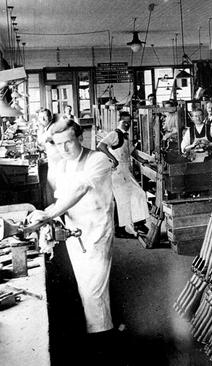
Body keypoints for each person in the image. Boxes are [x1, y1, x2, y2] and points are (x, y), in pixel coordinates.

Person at [27, 118, 116, 351]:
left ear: (80, 137)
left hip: (97, 233)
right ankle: (93, 342)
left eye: (68, 142)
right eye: (58, 144)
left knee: (95, 293)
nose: (64, 149)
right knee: (83, 290)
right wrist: (45, 217)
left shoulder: (98, 159)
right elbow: (62, 196)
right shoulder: (64, 164)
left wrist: (48, 214)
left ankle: (104, 348)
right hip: (75, 234)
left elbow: (80, 189)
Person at [97, 111, 149, 238]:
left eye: (129, 122)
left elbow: (132, 151)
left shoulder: (125, 136)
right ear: (119, 122)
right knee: (123, 200)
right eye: (124, 122)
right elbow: (101, 145)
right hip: (118, 171)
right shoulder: (114, 134)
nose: (127, 124)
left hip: (126, 170)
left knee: (139, 194)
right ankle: (122, 229)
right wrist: (113, 159)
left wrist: (142, 161)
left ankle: (138, 223)